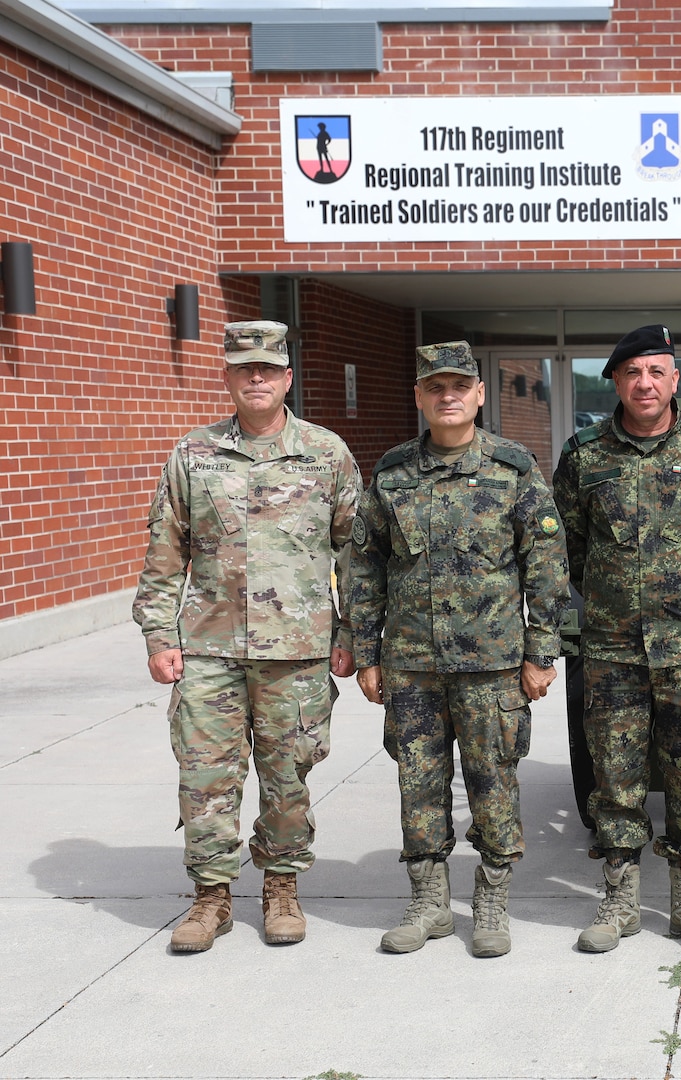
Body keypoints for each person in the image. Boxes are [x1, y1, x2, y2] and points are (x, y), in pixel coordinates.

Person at [133, 320, 361, 953]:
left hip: (298, 649)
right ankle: (211, 898)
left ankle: (281, 886)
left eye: (268, 369)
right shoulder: (193, 454)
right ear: (228, 378)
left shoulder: (326, 453)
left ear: (287, 378)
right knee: (205, 778)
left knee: (288, 775)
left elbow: (356, 556)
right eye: (243, 369)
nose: (256, 378)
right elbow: (163, 549)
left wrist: (352, 633)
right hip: (208, 647)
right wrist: (158, 633)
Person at [347, 341, 570, 958]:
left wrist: (541, 653)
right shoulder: (391, 475)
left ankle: (492, 902)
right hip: (413, 665)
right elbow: (364, 565)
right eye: (434, 387)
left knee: (494, 784)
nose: (447, 396)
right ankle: (429, 904)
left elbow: (547, 566)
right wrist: (367, 652)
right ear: (419, 397)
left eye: (458, 386)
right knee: (418, 785)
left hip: (493, 666)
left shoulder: (514, 469)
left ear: (477, 395)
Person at [552, 325, 681, 954]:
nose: (645, 383)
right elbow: (571, 547)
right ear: (614, 380)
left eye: (657, 371)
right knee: (614, 773)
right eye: (632, 372)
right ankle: (618, 896)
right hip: (612, 648)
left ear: (675, 380)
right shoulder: (584, 457)